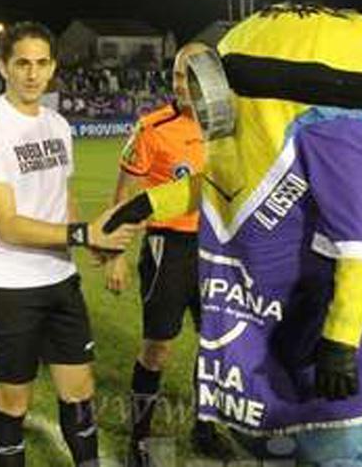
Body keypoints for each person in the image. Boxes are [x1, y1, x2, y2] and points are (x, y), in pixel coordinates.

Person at [103, 3, 362, 466]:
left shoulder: (341, 139)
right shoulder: (253, 137)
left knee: (338, 440)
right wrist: (146, 204)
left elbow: (360, 242)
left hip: (342, 337)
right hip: (251, 294)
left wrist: (341, 341)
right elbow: (222, 184)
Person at [0, 21, 140, 467]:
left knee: (80, 392)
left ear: (54, 67)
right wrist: (82, 234)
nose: (32, 73)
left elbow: (62, 195)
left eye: (42, 63)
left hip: (60, 279)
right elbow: (6, 225)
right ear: (3, 67)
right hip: (10, 287)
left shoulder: (57, 125)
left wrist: (96, 244)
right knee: (14, 400)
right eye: (22, 63)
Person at [105, 43, 234, 465]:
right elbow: (124, 196)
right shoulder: (152, 128)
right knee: (158, 347)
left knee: (215, 344)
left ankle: (205, 428)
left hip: (219, 247)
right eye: (177, 75)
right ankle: (139, 439)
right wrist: (117, 255)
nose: (181, 85)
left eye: (191, 76)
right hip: (170, 248)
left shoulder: (231, 125)